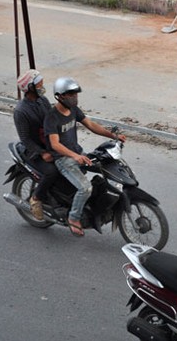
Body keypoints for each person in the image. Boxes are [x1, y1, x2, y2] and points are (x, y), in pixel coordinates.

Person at [43, 77, 126, 237]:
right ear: (59, 96)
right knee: (85, 188)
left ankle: (94, 206)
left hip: (77, 153)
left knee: (104, 166)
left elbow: (91, 125)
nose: (74, 97)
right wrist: (75, 156)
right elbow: (55, 144)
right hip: (63, 159)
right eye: (70, 94)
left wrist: (113, 135)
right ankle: (73, 218)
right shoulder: (52, 117)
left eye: (75, 93)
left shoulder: (74, 110)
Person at [13, 69, 60, 220]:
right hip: (34, 151)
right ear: (30, 87)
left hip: (49, 144)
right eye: (39, 84)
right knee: (52, 172)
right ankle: (37, 198)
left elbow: (52, 119)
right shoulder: (21, 111)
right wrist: (42, 153)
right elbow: (25, 139)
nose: (42, 85)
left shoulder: (43, 100)